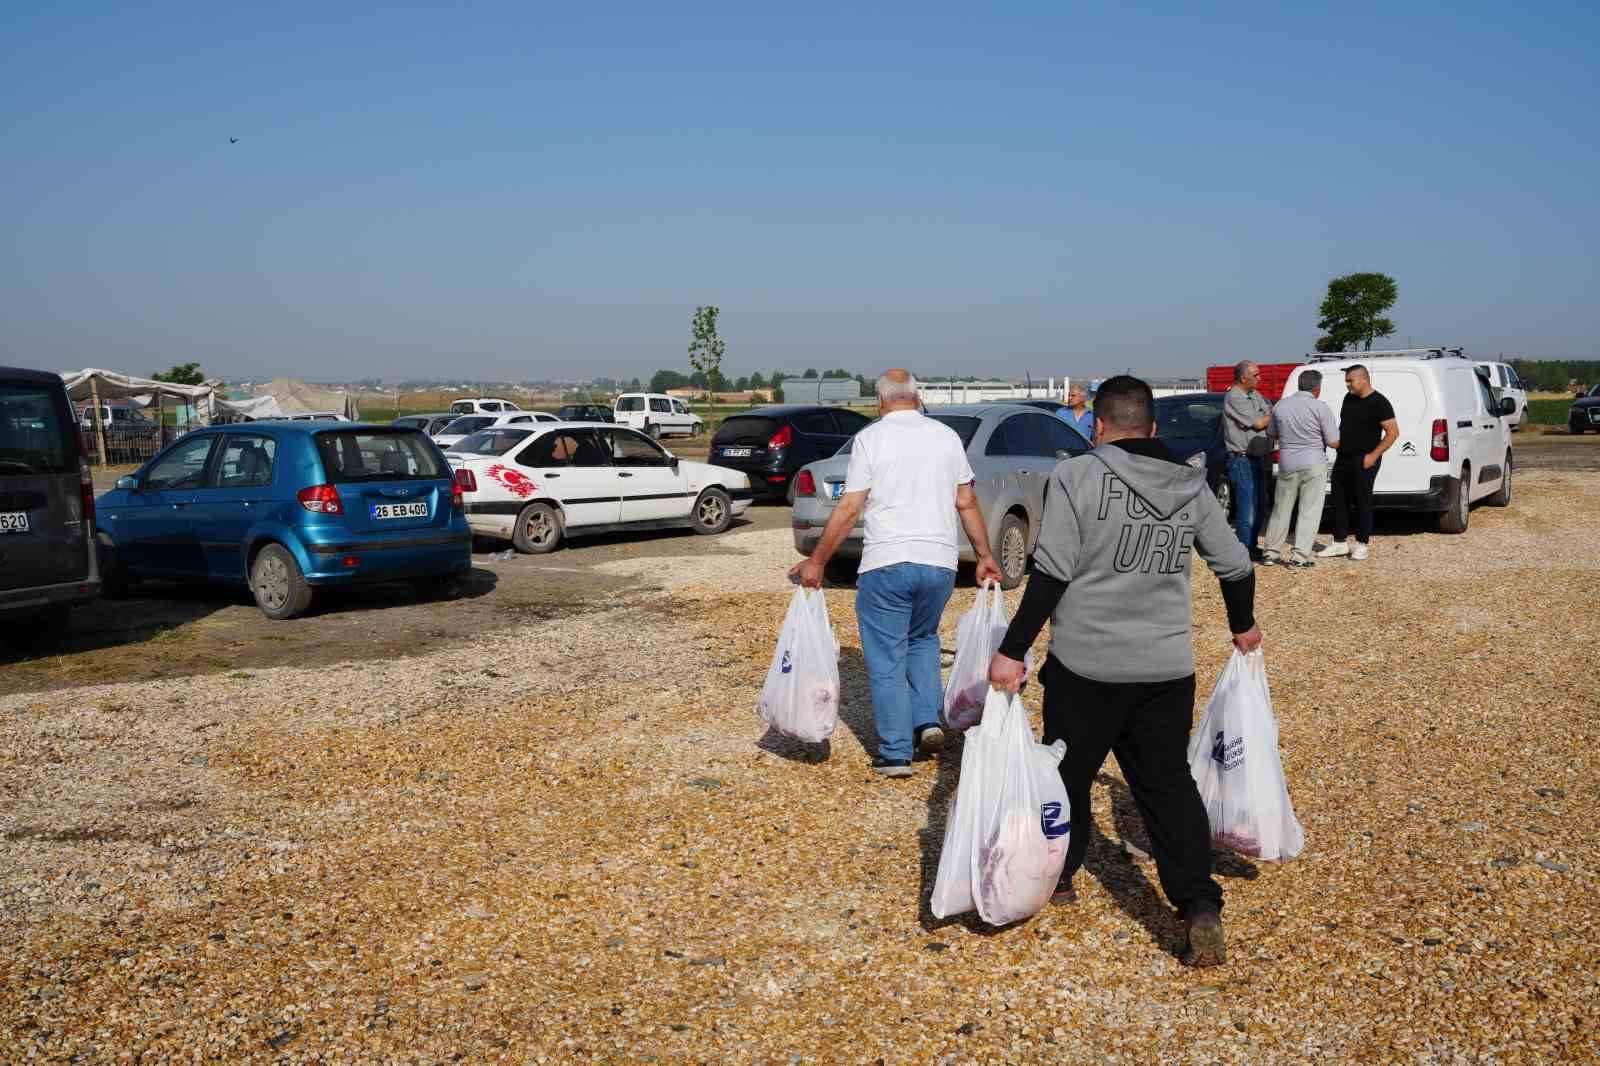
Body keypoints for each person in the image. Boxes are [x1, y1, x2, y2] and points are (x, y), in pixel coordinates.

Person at [986, 375, 1260, 968]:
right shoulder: (1191, 485)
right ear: (1153, 428)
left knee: (1066, 776)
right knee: (1166, 785)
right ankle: (1197, 904)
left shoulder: (1077, 476)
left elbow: (1052, 574)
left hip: (1086, 666)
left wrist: (1012, 649)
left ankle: (1059, 876)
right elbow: (1236, 566)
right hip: (1165, 668)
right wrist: (1242, 625)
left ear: (1099, 427)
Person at [790, 370, 1002, 777]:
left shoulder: (872, 438)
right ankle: (927, 721)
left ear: (881, 400)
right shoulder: (945, 437)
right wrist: (984, 555)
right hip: (939, 563)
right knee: (923, 640)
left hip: (887, 562)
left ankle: (895, 752)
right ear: (917, 398)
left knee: (886, 657)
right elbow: (966, 500)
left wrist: (817, 560)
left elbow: (851, 506)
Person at [1316, 365, 1397, 561]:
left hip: (1365, 460)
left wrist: (1373, 456)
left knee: (1362, 501)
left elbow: (1393, 432)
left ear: (1364, 379)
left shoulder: (1379, 402)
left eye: (1350, 380)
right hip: (1343, 458)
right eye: (1346, 380)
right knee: (1339, 500)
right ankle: (1339, 543)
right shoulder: (1348, 398)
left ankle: (1362, 544)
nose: (1347, 384)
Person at [1261, 370, 1340, 568]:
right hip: (1313, 462)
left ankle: (1270, 552)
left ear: (1299, 384)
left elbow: (1271, 432)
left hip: (1288, 462)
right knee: (1309, 510)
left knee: (1281, 508)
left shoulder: (1281, 405)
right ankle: (1299, 557)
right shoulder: (1320, 408)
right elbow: (1333, 442)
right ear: (1317, 388)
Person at [1222, 360, 1273, 557]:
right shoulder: (1234, 397)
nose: (1260, 378)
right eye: (1256, 375)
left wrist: (1267, 414)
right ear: (1243, 377)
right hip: (1242, 460)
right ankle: (1244, 550)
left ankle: (1251, 546)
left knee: (1260, 506)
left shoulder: (1254, 394)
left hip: (1259, 458)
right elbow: (1260, 422)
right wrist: (1269, 414)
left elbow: (1266, 411)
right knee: (1247, 507)